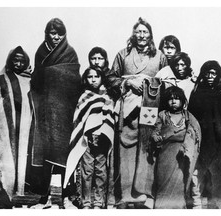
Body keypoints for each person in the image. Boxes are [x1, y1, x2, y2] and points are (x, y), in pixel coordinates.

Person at [105, 17, 168, 209]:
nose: (141, 36)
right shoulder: (123, 55)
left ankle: (144, 195)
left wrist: (149, 83)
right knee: (126, 149)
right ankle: (125, 196)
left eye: (145, 32)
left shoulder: (159, 56)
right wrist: (128, 82)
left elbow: (167, 80)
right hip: (128, 108)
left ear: (150, 35)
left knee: (147, 149)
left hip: (150, 106)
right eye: (138, 32)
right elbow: (110, 77)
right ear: (134, 34)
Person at [29, 18, 81, 209]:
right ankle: (45, 198)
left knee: (63, 154)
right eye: (53, 33)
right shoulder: (41, 52)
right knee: (45, 154)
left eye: (59, 33)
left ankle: (66, 197)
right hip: (45, 110)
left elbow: (74, 78)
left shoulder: (70, 52)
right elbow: (37, 79)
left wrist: (55, 75)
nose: (56, 37)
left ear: (64, 34)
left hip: (65, 110)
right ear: (47, 33)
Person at [0, 46, 32, 208]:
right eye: (15, 60)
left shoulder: (30, 81)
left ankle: (6, 198)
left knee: (15, 164)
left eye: (22, 60)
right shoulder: (2, 79)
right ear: (10, 61)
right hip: (1, 130)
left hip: (20, 131)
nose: (18, 63)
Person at [63, 66, 115, 209]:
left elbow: (109, 118)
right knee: (86, 172)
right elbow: (80, 120)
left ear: (101, 78)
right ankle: (85, 202)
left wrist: (103, 134)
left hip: (103, 140)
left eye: (96, 76)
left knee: (101, 172)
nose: (93, 80)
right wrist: (88, 134)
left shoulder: (108, 97)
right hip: (86, 140)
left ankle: (98, 202)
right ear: (85, 79)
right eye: (90, 77)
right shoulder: (84, 97)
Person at [188, 60, 221, 209]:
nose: (210, 76)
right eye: (207, 73)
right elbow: (191, 116)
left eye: (214, 73)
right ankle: (197, 205)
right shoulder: (196, 93)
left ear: (218, 75)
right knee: (197, 175)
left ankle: (216, 207)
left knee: (217, 175)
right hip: (201, 139)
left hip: (218, 141)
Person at [151, 86, 201, 209]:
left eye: (177, 99)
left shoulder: (188, 116)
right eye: (170, 99)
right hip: (165, 156)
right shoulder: (162, 115)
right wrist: (155, 136)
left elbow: (196, 132)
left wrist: (187, 141)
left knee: (179, 184)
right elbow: (155, 130)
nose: (173, 101)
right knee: (163, 183)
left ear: (183, 101)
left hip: (181, 156)